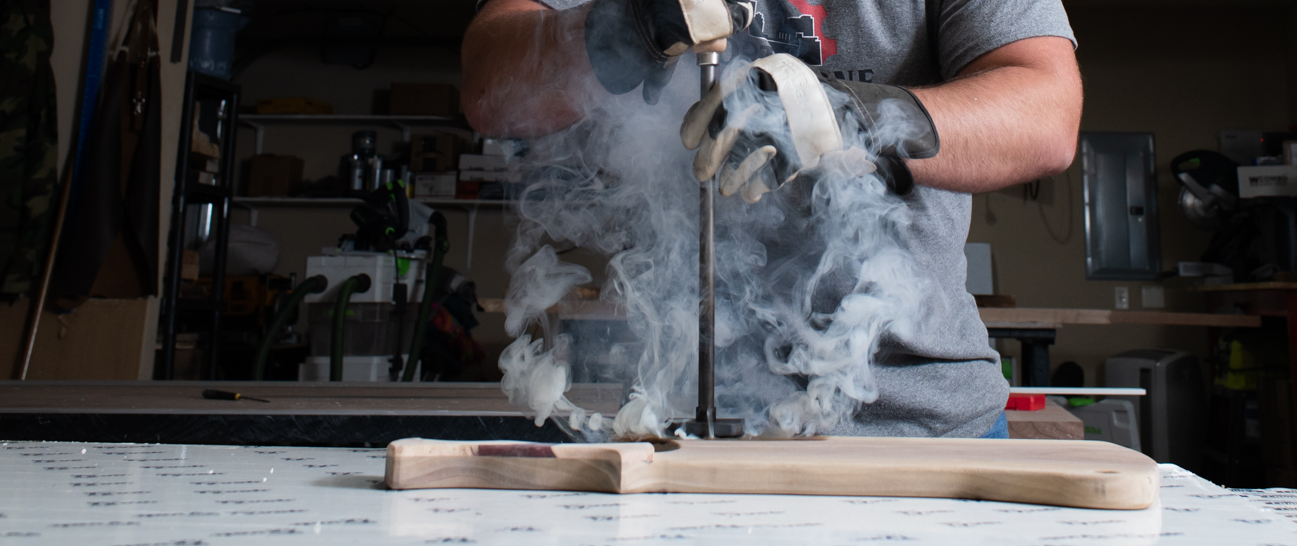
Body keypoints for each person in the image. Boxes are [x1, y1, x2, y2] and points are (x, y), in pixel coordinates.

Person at [462, 0, 1082, 438]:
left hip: (922, 425)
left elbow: (1047, 111)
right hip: (681, 417)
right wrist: (619, 26)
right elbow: (490, 88)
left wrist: (861, 120)